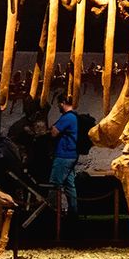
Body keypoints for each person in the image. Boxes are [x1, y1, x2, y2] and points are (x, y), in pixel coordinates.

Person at [48, 94, 82, 233]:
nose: (58, 107)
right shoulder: (75, 117)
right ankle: (73, 215)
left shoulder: (67, 117)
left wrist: (51, 128)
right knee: (69, 185)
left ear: (62, 103)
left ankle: (51, 215)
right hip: (72, 155)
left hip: (64, 155)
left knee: (54, 184)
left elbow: (54, 133)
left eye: (58, 104)